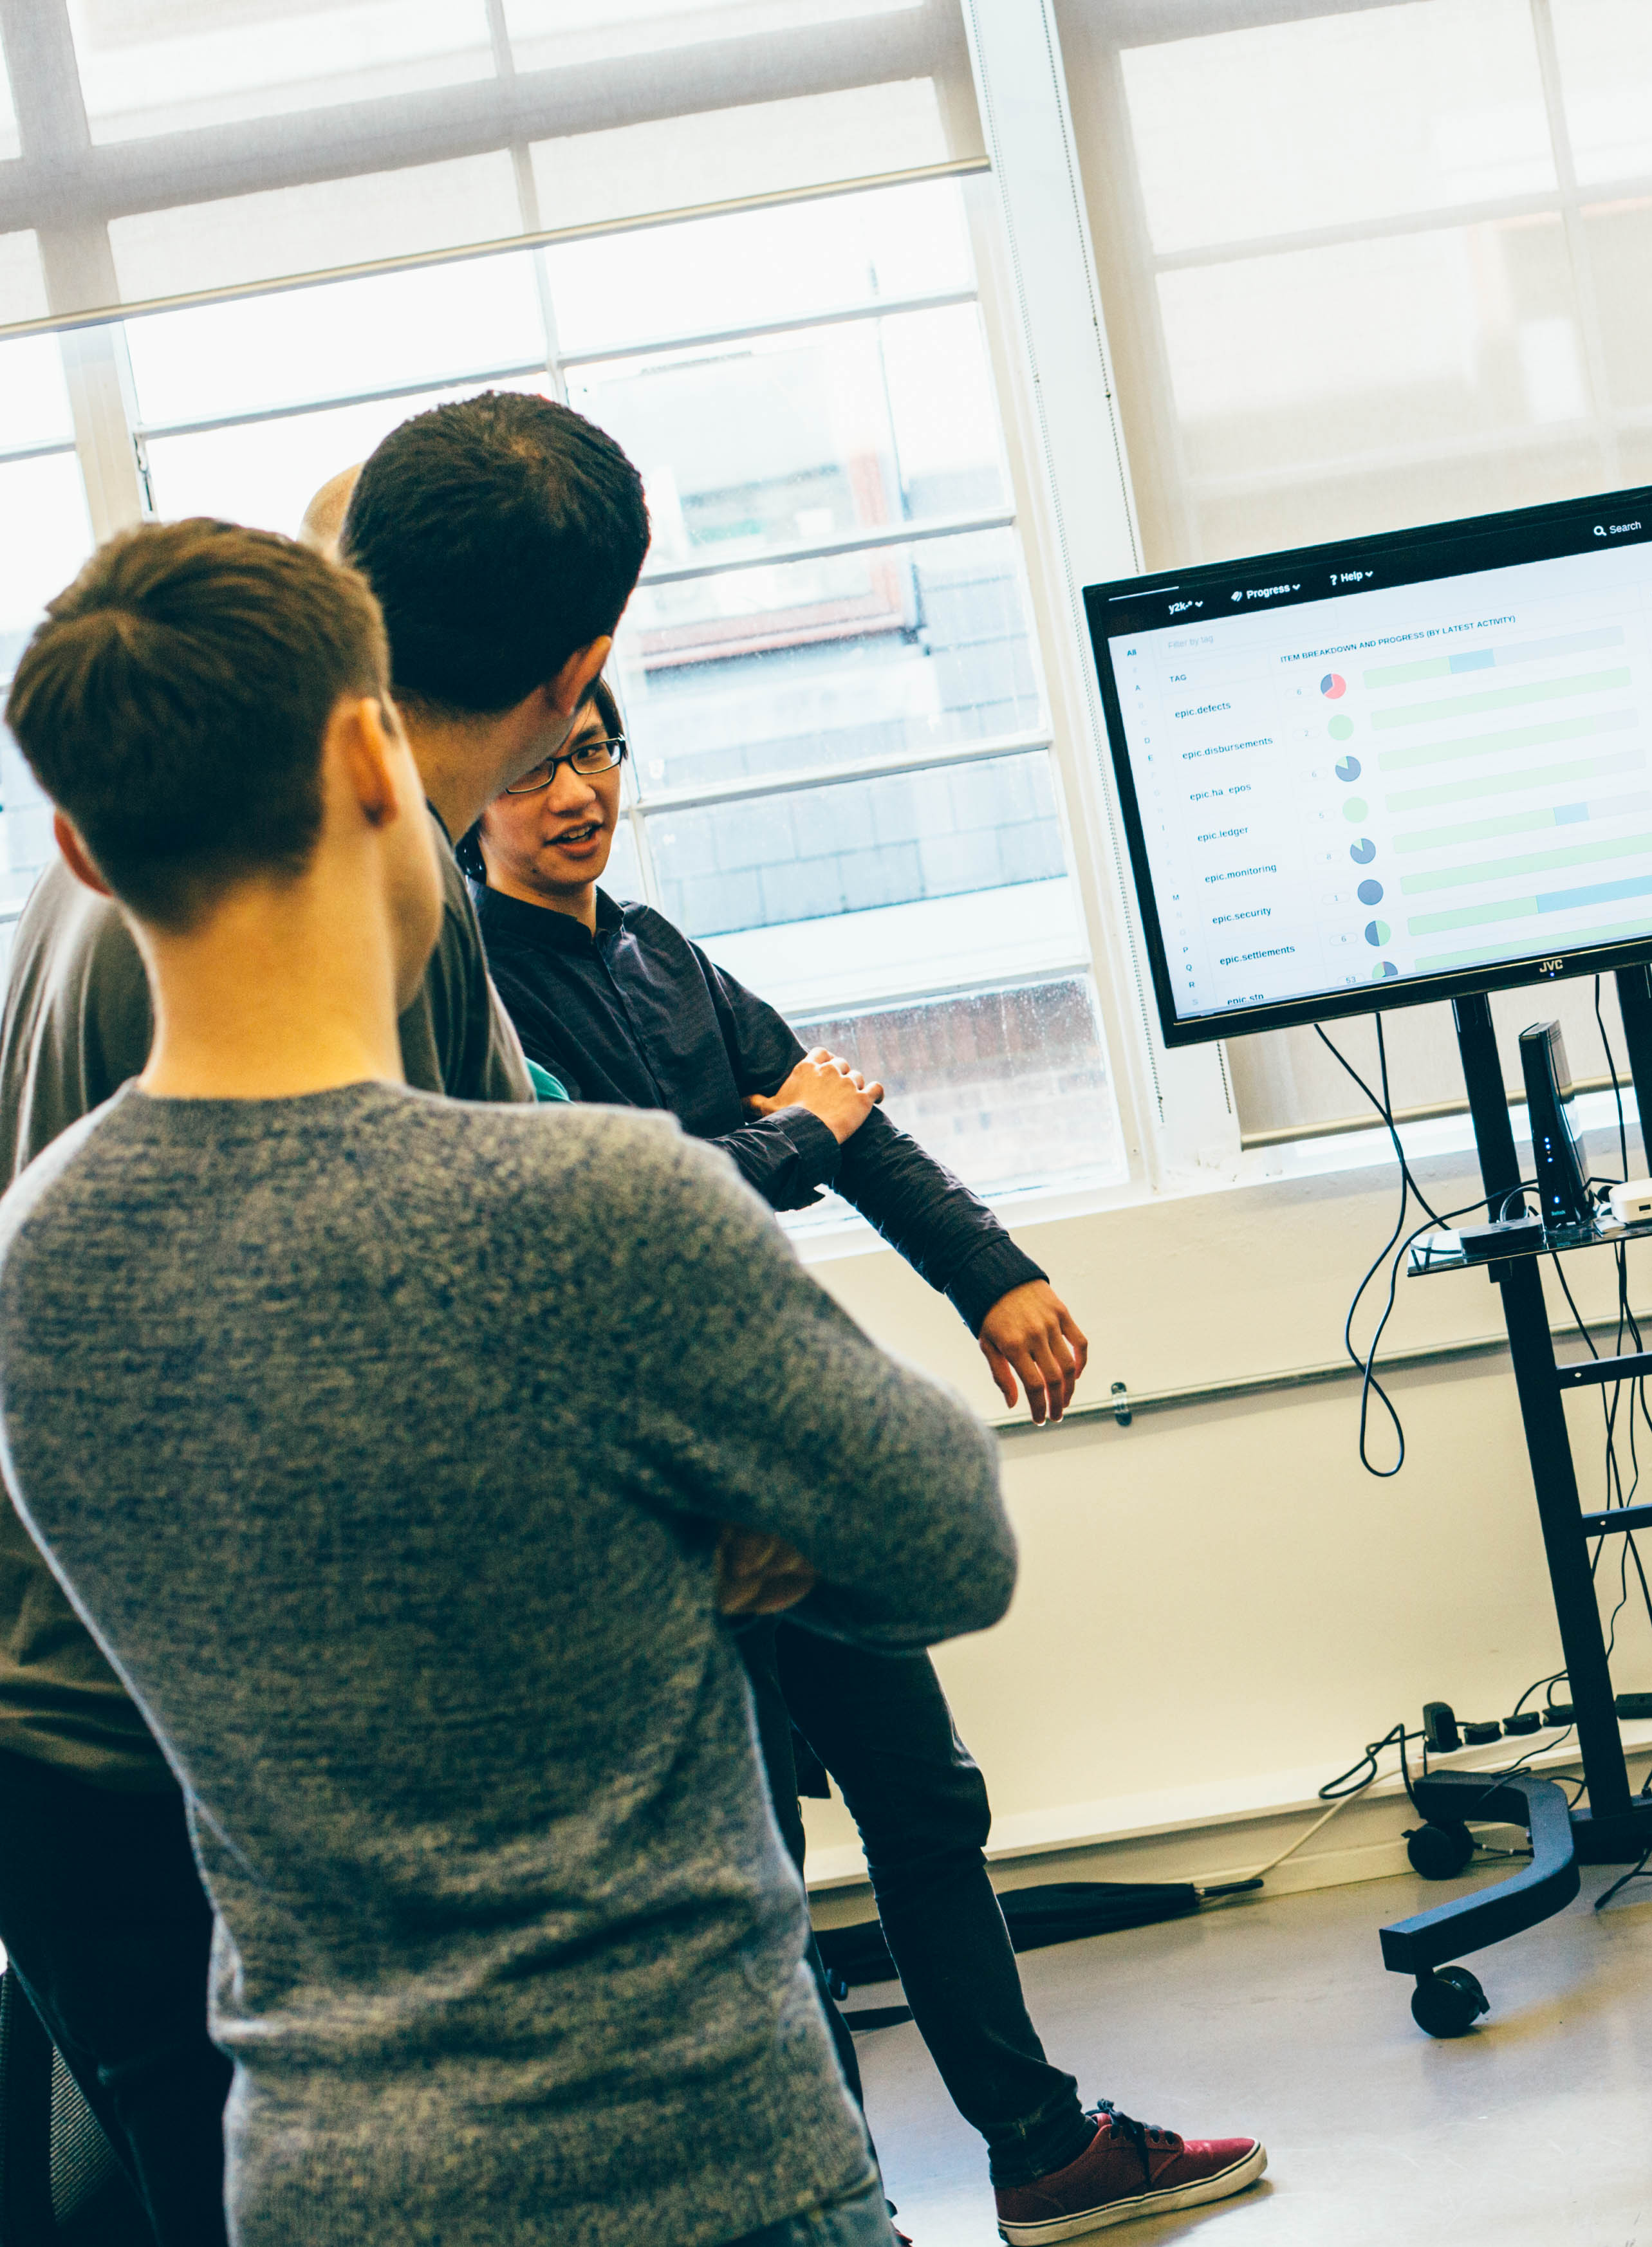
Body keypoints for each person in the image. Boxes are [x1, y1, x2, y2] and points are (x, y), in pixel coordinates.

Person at [0, 517, 1018, 2247]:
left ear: (82, 848)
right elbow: (944, 1546)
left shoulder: (41, 1264)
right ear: (370, 757)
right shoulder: (602, 1209)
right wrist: (693, 1534)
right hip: (701, 2160)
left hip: (329, 2181)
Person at [470, 683, 1265, 2240]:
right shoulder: (477, 1002)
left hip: (781, 1455)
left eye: (595, 752)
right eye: (534, 768)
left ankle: (1040, 2149)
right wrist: (805, 1138)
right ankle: (838, 2213)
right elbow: (662, 1197)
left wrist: (993, 1273)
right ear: (466, 796)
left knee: (925, 1800)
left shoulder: (656, 951)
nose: (576, 791)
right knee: (755, 1869)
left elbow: (850, 1122)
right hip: (656, 1510)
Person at [0, 395, 640, 2245]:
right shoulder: (343, 889)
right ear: (579, 669)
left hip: (87, 1715)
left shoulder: (174, 843)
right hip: (166, 1736)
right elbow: (418, 1335)